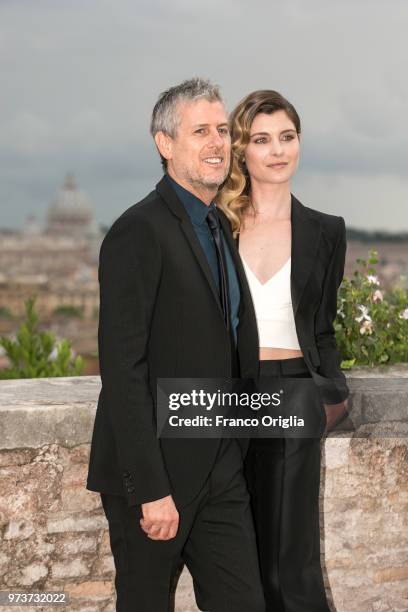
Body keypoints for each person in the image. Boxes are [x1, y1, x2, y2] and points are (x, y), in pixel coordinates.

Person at [86, 78, 265, 612]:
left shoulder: (217, 227)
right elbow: (123, 368)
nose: (218, 144)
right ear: (165, 144)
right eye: (200, 132)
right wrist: (150, 488)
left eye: (223, 131)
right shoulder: (137, 231)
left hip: (220, 466)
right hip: (156, 475)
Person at [218, 89, 349, 612]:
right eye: (262, 139)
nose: (278, 151)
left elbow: (322, 328)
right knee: (234, 546)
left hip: (296, 390)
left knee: (292, 557)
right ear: (242, 150)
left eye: (287, 137)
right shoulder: (217, 226)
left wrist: (330, 391)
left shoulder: (326, 231)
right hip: (228, 391)